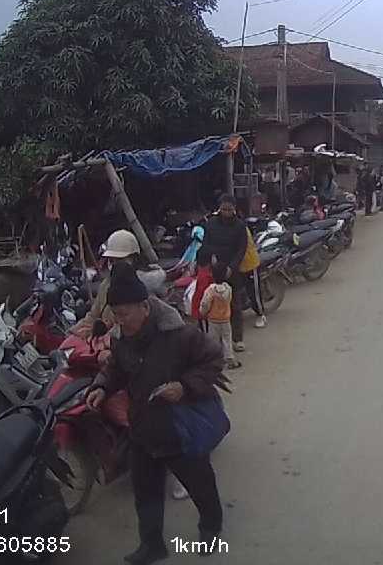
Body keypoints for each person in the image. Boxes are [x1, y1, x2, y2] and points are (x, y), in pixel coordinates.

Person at [85, 263, 225, 565]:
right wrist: (102, 387)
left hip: (179, 425)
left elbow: (214, 359)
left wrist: (184, 386)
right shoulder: (120, 338)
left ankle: (211, 528)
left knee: (199, 482)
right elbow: (116, 368)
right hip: (142, 427)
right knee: (145, 492)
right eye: (115, 314)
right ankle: (152, 545)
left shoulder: (179, 335)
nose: (119, 321)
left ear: (145, 307)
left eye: (124, 314)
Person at [198, 195, 250, 357]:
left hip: (232, 269)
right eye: (224, 209)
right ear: (219, 208)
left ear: (234, 209)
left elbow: (241, 249)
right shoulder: (211, 224)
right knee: (211, 302)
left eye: (229, 209)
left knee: (234, 304)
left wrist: (231, 267)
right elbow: (205, 244)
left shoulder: (240, 226)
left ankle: (237, 339)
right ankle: (213, 341)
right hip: (214, 269)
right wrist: (211, 257)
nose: (226, 212)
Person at [200, 262, 238, 369]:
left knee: (213, 341)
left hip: (213, 320)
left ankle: (215, 360)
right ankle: (229, 358)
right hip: (225, 319)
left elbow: (205, 303)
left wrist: (203, 312)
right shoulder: (228, 289)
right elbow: (229, 300)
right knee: (227, 339)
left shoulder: (210, 290)